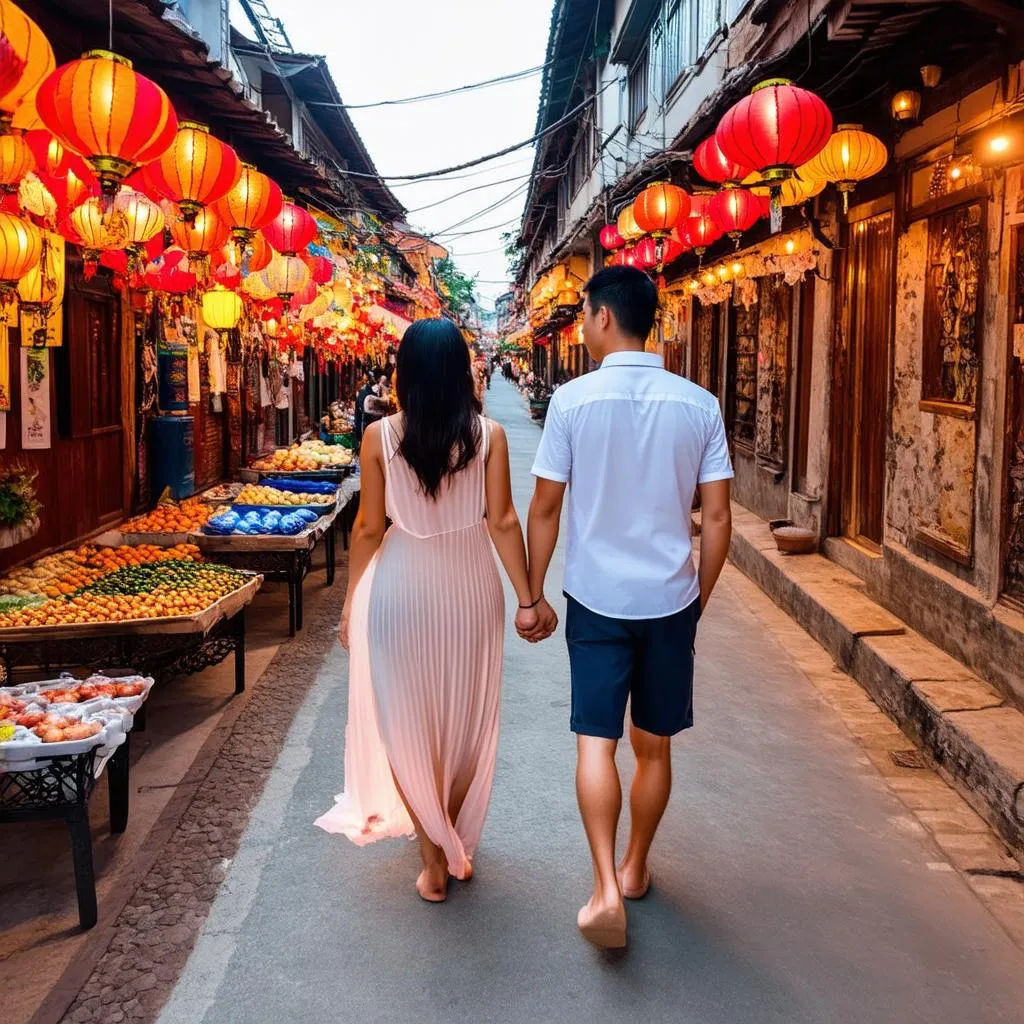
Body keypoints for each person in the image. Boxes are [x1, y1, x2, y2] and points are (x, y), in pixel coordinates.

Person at [521, 266, 734, 949]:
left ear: (604, 317)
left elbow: (547, 507)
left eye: (583, 313)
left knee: (596, 742)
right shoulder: (699, 404)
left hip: (597, 600)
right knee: (654, 745)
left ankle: (601, 887)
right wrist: (695, 597)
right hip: (669, 598)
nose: (581, 325)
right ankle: (635, 867)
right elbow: (720, 517)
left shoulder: (573, 403)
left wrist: (532, 594)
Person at [316, 318, 540, 903]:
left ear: (404, 374)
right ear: (464, 372)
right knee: (467, 723)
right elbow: (503, 521)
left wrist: (349, 606)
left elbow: (367, 529)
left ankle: (432, 859)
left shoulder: (379, 437)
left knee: (405, 724)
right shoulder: (489, 436)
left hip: (401, 588)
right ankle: (454, 839)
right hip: (471, 589)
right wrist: (528, 598)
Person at [353, 369, 376, 446]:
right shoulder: (364, 393)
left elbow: (358, 414)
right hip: (367, 425)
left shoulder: (364, 392)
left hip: (367, 425)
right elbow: (358, 414)